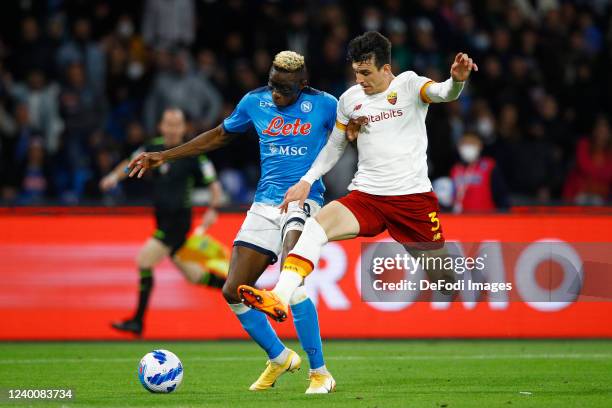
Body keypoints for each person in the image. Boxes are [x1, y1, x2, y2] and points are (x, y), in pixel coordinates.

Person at [126, 52, 340, 393]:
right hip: (263, 205)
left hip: (304, 199)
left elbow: (352, 133)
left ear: (303, 85)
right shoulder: (254, 102)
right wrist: (164, 155)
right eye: (272, 85)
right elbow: (217, 136)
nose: (276, 95)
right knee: (232, 289)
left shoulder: (327, 105)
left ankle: (320, 372)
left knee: (292, 279)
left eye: (284, 89)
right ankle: (279, 357)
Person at [236, 31, 477, 322]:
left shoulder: (410, 85)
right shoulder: (350, 99)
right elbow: (335, 145)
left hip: (412, 200)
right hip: (367, 197)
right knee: (314, 228)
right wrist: (306, 180)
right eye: (356, 72)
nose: (360, 80)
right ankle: (280, 296)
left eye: (366, 72)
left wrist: (457, 80)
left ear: (386, 69)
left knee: (445, 282)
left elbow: (443, 92)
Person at [101, 108, 225, 336]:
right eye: (168, 124)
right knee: (195, 276)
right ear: (161, 126)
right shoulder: (152, 148)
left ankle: (137, 321)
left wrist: (214, 208)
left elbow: (214, 184)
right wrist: (112, 178)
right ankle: (240, 290)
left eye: (177, 125)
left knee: (144, 260)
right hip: (161, 222)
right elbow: (129, 164)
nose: (172, 129)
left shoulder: (193, 152)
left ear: (183, 128)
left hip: (178, 223)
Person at [450, 132, 509, 212]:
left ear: (480, 145)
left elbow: (501, 196)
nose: (468, 146)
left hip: (486, 219)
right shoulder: (455, 169)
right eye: (465, 143)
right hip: (461, 219)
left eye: (472, 143)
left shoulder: (489, 166)